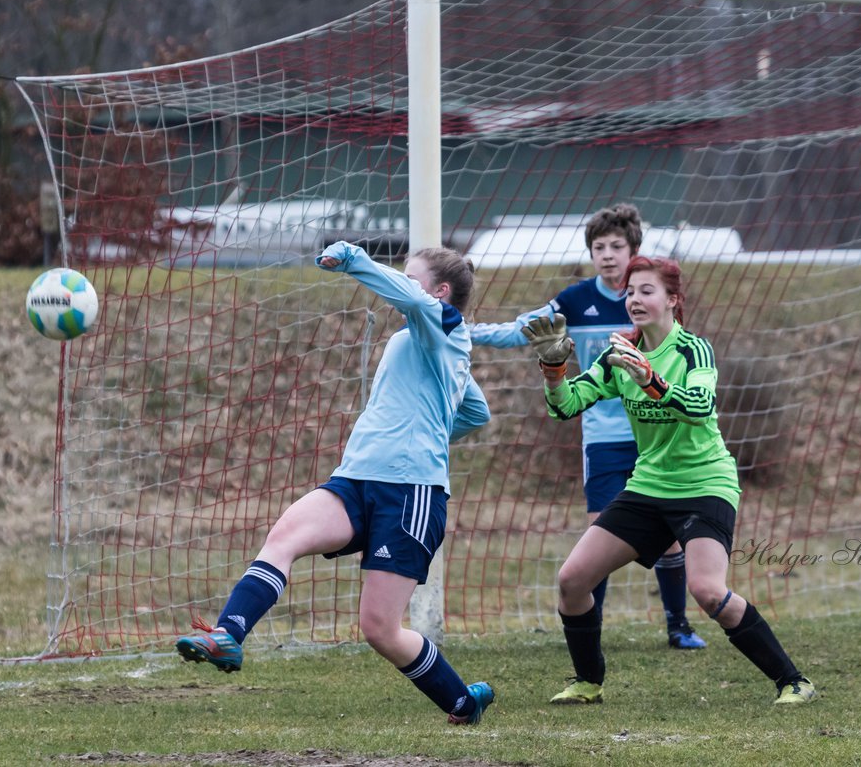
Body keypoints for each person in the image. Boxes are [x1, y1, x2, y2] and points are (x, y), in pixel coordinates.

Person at [175, 240, 496, 726]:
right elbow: (474, 411)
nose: (404, 284)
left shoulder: (445, 330)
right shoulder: (413, 341)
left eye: (411, 277)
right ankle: (228, 636)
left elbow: (415, 306)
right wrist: (430, 427)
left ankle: (462, 702)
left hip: (410, 494)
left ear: (441, 292)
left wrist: (354, 261)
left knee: (379, 629)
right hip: (355, 480)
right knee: (283, 537)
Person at [523, 255, 816, 706]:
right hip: (648, 487)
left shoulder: (693, 350)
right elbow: (566, 405)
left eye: (646, 291)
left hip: (705, 485)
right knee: (572, 579)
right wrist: (554, 370)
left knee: (707, 590)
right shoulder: (616, 353)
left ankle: (794, 681)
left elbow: (698, 406)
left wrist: (651, 378)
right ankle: (588, 682)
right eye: (630, 291)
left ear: (673, 300)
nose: (634, 299)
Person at [468, 204, 706, 650]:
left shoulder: (650, 301)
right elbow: (527, 328)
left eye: (617, 246)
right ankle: (588, 630)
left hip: (655, 435)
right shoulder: (576, 299)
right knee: (600, 533)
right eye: (600, 247)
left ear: (635, 250)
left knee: (669, 538)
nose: (609, 254)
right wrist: (467, 331)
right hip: (603, 439)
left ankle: (679, 626)